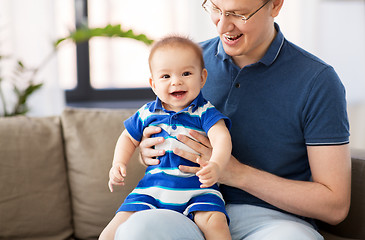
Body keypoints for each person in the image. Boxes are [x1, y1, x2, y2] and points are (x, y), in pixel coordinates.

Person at [114, 0, 351, 240]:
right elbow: (155, 123)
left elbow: (335, 206)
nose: (223, 25)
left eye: (239, 14)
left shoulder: (318, 81)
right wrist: (150, 150)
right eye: (216, 9)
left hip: (272, 221)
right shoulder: (186, 63)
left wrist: (236, 173)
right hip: (184, 209)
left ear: (276, 5)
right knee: (137, 230)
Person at [99, 36, 232, 240]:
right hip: (152, 189)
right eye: (165, 76)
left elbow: (222, 138)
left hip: (197, 190)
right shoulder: (147, 113)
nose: (176, 81)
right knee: (109, 233)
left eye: (186, 73)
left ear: (202, 77)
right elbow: (127, 138)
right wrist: (118, 163)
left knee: (216, 223)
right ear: (153, 84)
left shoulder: (204, 112)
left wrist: (216, 164)